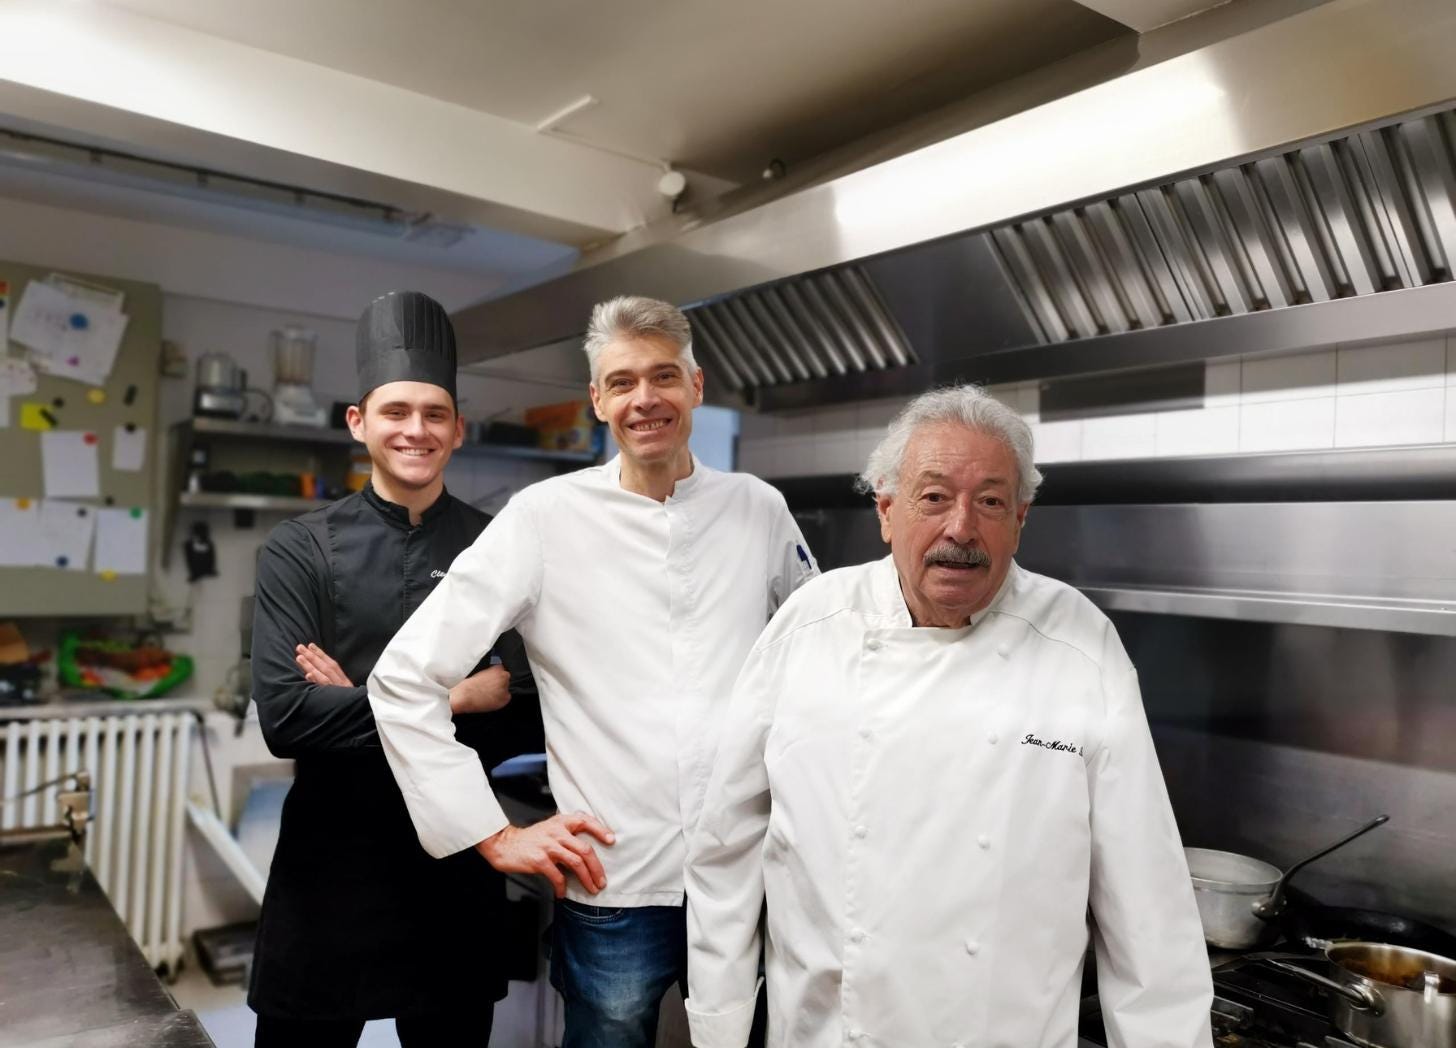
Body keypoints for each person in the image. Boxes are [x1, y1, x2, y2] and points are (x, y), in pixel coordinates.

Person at [683, 385, 1214, 1048]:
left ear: (1020, 519)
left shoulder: (1079, 645)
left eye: (990, 502)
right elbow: (725, 848)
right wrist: (717, 1027)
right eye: (933, 497)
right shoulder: (810, 628)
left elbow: (1147, 903)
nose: (961, 529)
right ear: (886, 509)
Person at [367, 295, 816, 1048]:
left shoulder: (758, 508)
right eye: (623, 381)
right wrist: (491, 833)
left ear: (696, 387)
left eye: (664, 376)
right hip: (615, 880)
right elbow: (403, 680)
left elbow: (819, 654)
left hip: (749, 870)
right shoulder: (544, 517)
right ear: (599, 401)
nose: (646, 399)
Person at [248, 290, 542, 1048]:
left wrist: (355, 700)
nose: (417, 430)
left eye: (435, 414)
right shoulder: (300, 548)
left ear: (457, 428)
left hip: (455, 864)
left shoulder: (500, 545)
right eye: (396, 411)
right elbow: (286, 720)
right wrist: (455, 697)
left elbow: (528, 704)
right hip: (329, 868)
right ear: (359, 421)